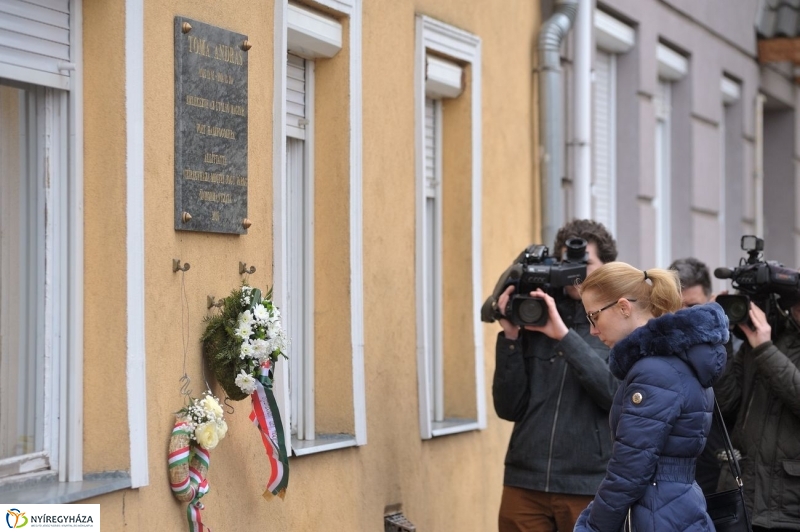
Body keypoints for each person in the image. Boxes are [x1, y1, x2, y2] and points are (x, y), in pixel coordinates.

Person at [573, 263, 729, 532]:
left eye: (593, 316)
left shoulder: (654, 370)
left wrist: (593, 527)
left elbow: (630, 469)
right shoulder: (677, 360)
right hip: (674, 509)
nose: (593, 330)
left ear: (623, 307)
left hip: (656, 515)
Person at [493, 219, 620, 532]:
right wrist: (510, 336)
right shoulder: (534, 316)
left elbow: (614, 395)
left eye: (585, 263)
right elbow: (508, 408)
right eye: (567, 263)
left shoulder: (618, 324)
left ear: (606, 268)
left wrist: (563, 336)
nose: (575, 273)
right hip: (524, 483)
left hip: (587, 486)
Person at [714, 296, 800, 532]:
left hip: (788, 505)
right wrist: (722, 340)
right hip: (742, 495)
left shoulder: (763, 345)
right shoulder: (760, 339)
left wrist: (765, 349)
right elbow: (727, 402)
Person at [669, 256, 735, 495]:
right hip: (671, 473)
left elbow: (726, 402)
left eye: (693, 306)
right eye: (678, 306)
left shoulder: (728, 340)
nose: (684, 315)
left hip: (714, 470)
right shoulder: (657, 341)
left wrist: (719, 337)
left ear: (709, 300)